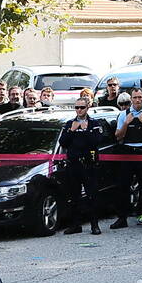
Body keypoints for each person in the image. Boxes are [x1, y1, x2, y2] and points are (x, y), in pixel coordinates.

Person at [55, 98, 107, 235]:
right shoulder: (69, 124)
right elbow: (63, 142)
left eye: (82, 107)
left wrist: (86, 131)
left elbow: (97, 141)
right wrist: (72, 131)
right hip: (73, 164)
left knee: (92, 195)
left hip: (88, 164)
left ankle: (94, 225)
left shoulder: (94, 124)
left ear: (87, 107)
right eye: (77, 107)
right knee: (74, 195)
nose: (79, 110)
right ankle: (75, 224)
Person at [112, 88, 142, 230]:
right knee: (122, 188)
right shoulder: (123, 115)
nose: (138, 100)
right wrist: (126, 123)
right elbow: (118, 136)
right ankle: (122, 219)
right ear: (131, 99)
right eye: (135, 97)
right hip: (127, 153)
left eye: (140, 97)